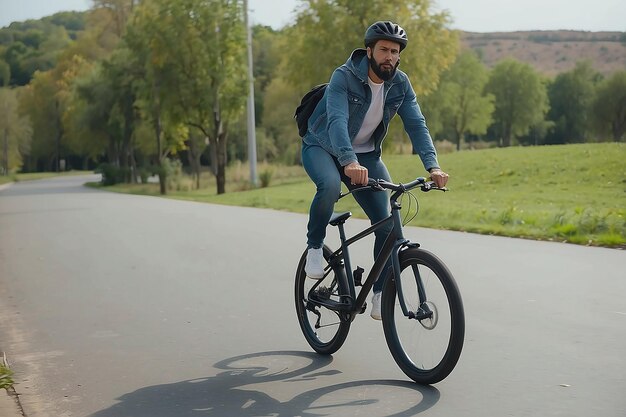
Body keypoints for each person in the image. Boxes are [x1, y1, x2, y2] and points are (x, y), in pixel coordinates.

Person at [301, 21, 449, 320]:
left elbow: (416, 124)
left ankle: (381, 292)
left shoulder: (401, 84)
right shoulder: (343, 77)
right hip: (323, 146)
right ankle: (315, 246)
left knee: (388, 224)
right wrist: (348, 161)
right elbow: (337, 122)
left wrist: (432, 165)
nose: (389, 56)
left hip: (366, 156)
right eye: (383, 49)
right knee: (330, 185)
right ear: (369, 51)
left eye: (394, 51)